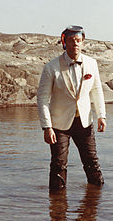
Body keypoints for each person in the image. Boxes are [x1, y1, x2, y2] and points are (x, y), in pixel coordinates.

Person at [37, 25, 106, 190]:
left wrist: (101, 115)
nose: (76, 44)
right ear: (64, 42)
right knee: (58, 165)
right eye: (72, 40)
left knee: (92, 162)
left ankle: (96, 204)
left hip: (84, 122)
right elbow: (42, 99)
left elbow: (97, 90)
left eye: (79, 40)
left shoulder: (91, 64)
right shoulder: (51, 67)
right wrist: (47, 127)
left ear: (83, 42)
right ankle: (57, 209)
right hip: (59, 125)